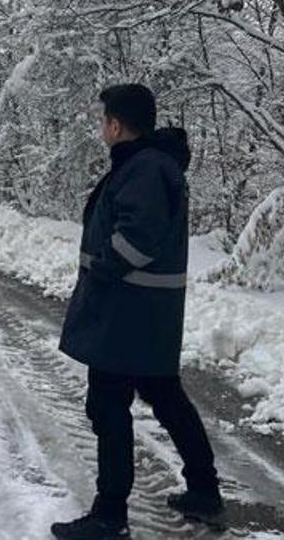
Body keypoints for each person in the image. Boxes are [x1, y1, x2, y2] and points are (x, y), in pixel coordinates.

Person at [52, 84, 222, 539]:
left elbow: (138, 234)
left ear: (115, 124)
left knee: (108, 408)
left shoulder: (143, 169)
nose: (100, 127)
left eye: (103, 120)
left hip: (126, 314)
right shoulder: (150, 164)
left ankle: (110, 515)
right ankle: (204, 491)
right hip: (146, 314)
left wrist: (106, 267)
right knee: (166, 398)